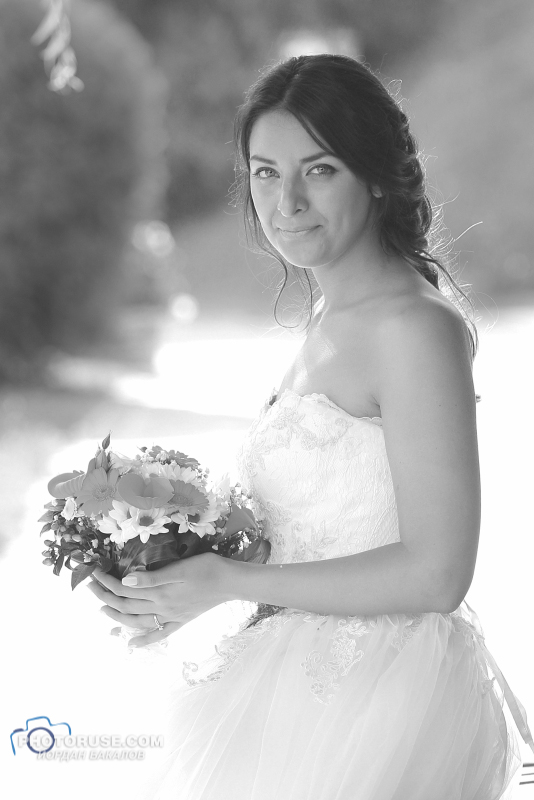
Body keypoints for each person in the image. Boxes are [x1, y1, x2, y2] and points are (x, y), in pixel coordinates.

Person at [88, 54, 533, 799]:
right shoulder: (330, 318)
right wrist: (177, 579)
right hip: (290, 688)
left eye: (319, 170)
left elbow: (438, 573)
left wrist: (233, 580)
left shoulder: (413, 329)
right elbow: (322, 533)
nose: (286, 200)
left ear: (378, 176)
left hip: (376, 704)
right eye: (265, 172)